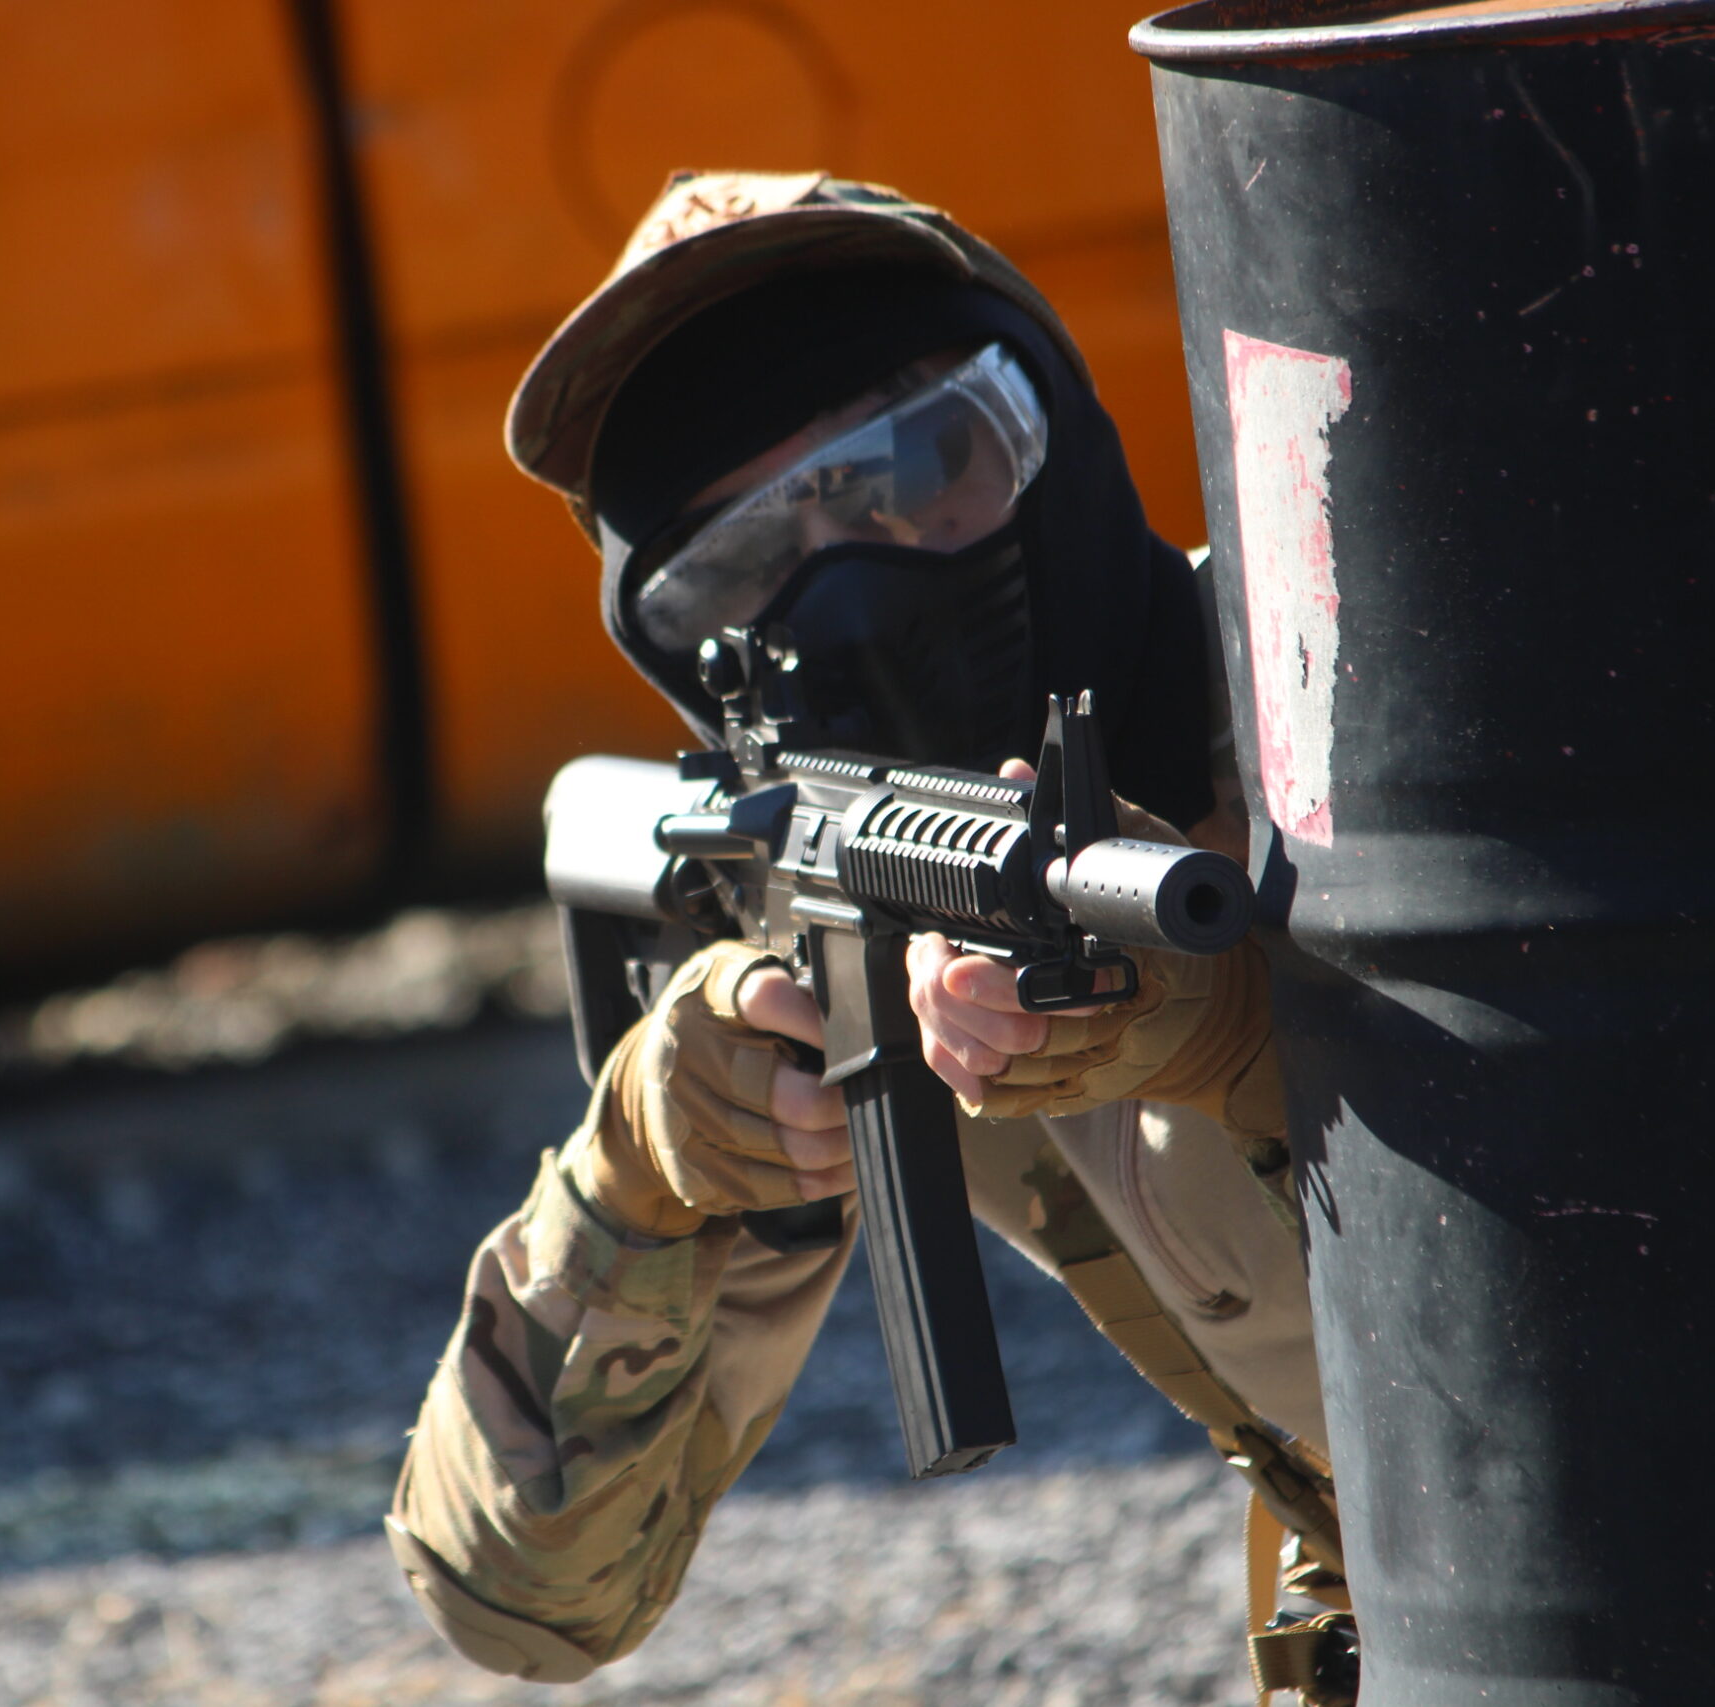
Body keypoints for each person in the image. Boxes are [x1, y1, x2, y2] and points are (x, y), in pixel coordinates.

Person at [385, 172, 1351, 1700]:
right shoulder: (817, 922)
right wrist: (645, 1171)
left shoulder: (1359, 712)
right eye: (740, 562)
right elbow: (523, 1602)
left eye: (919, 464)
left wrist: (1244, 1034)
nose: (850, 578)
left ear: (1049, 432)